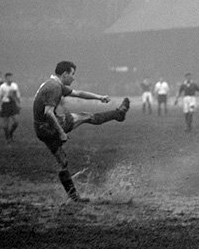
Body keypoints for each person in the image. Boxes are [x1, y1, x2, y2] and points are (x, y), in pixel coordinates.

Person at [33, 61, 130, 202]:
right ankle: (118, 114)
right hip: (50, 127)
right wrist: (61, 132)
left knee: (62, 162)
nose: (74, 78)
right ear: (65, 74)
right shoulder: (54, 87)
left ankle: (74, 197)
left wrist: (99, 97)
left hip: (40, 130)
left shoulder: (52, 84)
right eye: (73, 74)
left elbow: (79, 93)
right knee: (86, 116)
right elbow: (48, 112)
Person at [0, 72, 21, 143]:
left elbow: (17, 95)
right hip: (5, 104)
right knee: (5, 123)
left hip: (13, 104)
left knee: (16, 121)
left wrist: (18, 103)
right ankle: (7, 138)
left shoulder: (14, 85)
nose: (10, 79)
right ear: (6, 78)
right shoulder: (2, 87)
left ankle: (10, 133)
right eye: (9, 77)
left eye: (11, 77)